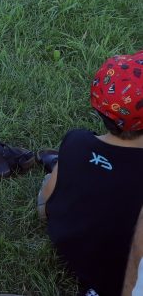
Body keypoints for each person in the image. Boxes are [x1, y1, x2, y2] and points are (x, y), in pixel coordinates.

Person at [38, 51, 143, 296]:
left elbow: (45, 205)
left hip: (69, 245)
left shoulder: (76, 141)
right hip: (118, 274)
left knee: (59, 174)